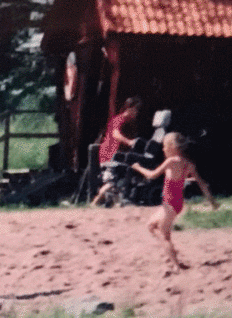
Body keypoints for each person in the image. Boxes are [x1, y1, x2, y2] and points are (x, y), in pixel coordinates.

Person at [129, 131, 216, 269]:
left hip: (169, 204)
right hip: (176, 203)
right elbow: (201, 184)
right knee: (158, 229)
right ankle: (172, 255)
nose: (163, 149)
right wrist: (212, 202)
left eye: (164, 146)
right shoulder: (189, 164)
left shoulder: (170, 162)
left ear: (172, 147)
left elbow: (152, 175)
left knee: (158, 232)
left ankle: (176, 264)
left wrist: (138, 168)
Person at [89, 97, 142, 206]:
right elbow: (115, 134)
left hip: (114, 155)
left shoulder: (129, 122)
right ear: (130, 108)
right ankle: (94, 203)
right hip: (110, 155)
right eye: (136, 109)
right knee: (113, 181)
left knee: (117, 180)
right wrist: (129, 142)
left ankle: (111, 201)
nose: (137, 112)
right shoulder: (119, 120)